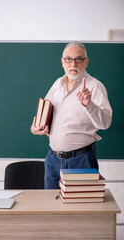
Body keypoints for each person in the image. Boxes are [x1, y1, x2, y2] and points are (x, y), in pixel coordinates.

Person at [31, 41, 112, 189]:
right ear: (62, 62)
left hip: (81, 160)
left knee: (80, 209)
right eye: (68, 59)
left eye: (78, 59)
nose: (73, 63)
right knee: (51, 207)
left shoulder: (95, 87)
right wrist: (36, 127)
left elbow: (105, 123)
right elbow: (45, 111)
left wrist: (89, 104)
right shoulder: (57, 84)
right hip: (52, 159)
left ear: (86, 62)